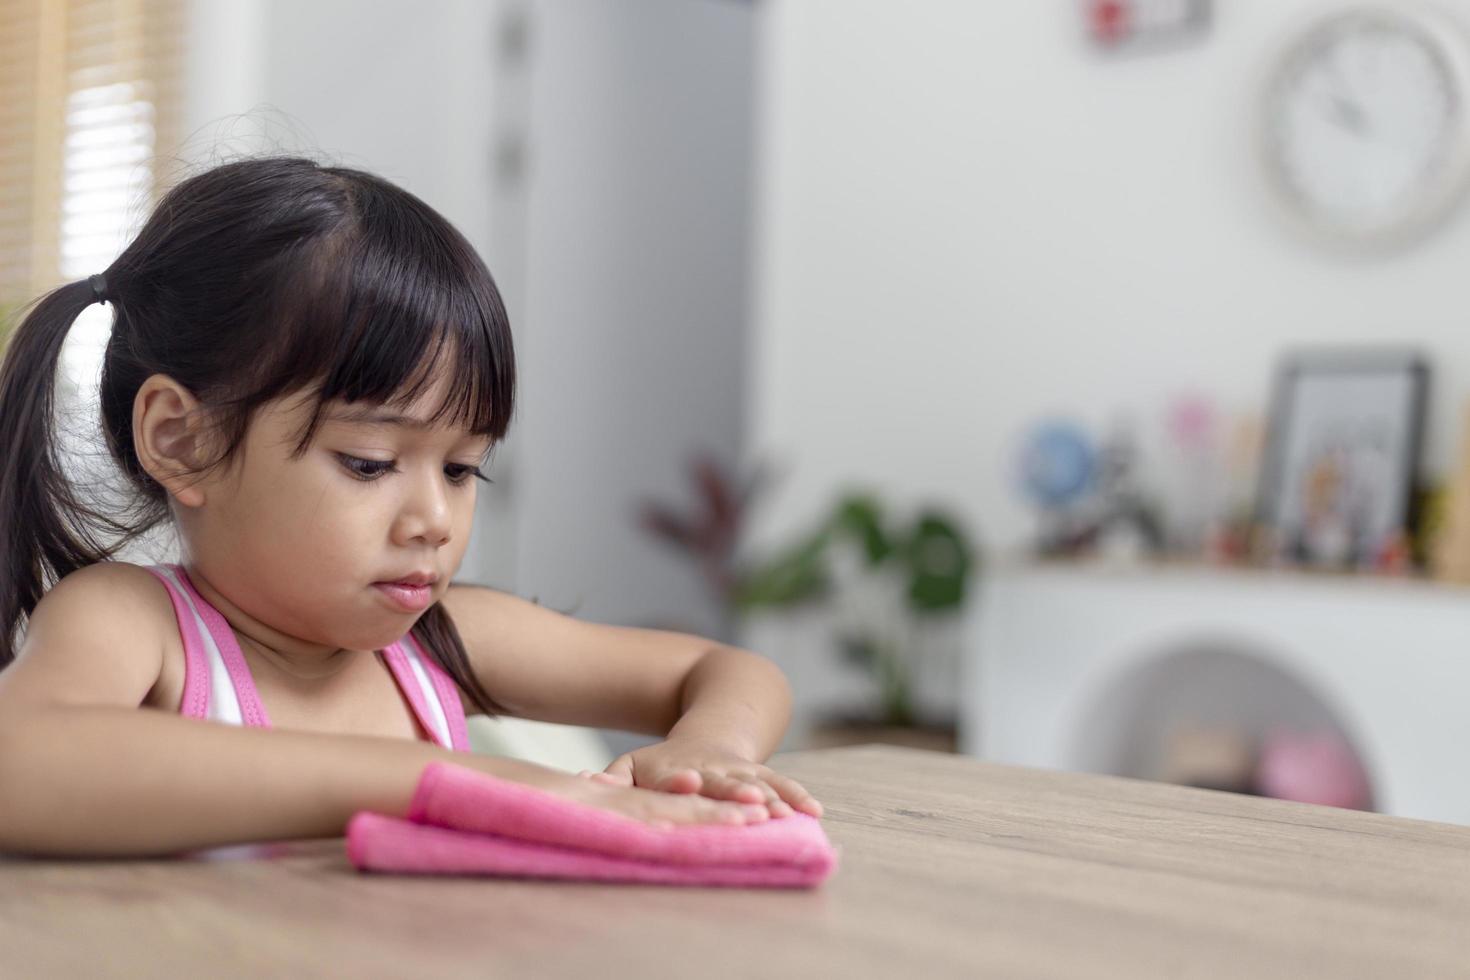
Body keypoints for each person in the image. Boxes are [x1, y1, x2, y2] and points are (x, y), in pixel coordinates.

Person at [0, 156, 821, 857]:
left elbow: (724, 672)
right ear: (183, 440)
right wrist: (447, 782)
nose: (434, 518)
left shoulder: (442, 640)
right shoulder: (135, 624)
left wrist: (713, 747)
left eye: (464, 470)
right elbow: (20, 763)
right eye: (370, 463)